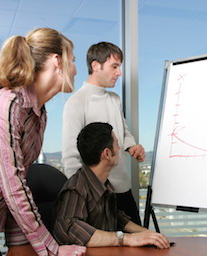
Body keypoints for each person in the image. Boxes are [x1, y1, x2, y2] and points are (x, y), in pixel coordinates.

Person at [0, 28, 86, 256]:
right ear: (57, 61)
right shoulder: (6, 103)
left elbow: (20, 182)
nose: (75, 69)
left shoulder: (38, 114)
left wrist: (19, 245)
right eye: (72, 60)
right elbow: (12, 184)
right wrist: (52, 250)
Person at [62, 42, 144, 225]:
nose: (119, 73)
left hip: (123, 189)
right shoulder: (77, 102)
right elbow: (70, 158)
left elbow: (124, 132)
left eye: (119, 67)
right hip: (96, 196)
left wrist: (132, 146)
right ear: (96, 66)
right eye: (114, 66)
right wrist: (82, 198)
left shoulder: (114, 99)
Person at [53, 122, 170, 249]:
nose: (120, 149)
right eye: (117, 144)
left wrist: (147, 234)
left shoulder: (102, 184)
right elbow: (68, 228)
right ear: (107, 154)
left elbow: (115, 217)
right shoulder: (76, 188)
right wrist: (126, 238)